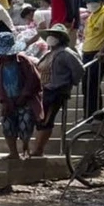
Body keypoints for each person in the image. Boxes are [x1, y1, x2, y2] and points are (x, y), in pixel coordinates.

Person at [31, 24, 83, 157]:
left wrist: (68, 83)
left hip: (56, 91)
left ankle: (38, 149)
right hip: (44, 90)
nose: (51, 37)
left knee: (47, 120)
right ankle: (37, 148)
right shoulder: (48, 54)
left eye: (54, 35)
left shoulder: (66, 53)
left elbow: (79, 70)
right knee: (40, 120)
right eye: (50, 35)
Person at [0, 32, 42, 160]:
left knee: (25, 125)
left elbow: (33, 80)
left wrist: (24, 96)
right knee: (7, 125)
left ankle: (25, 147)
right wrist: (3, 101)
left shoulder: (23, 61)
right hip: (8, 99)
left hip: (25, 99)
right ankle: (13, 152)